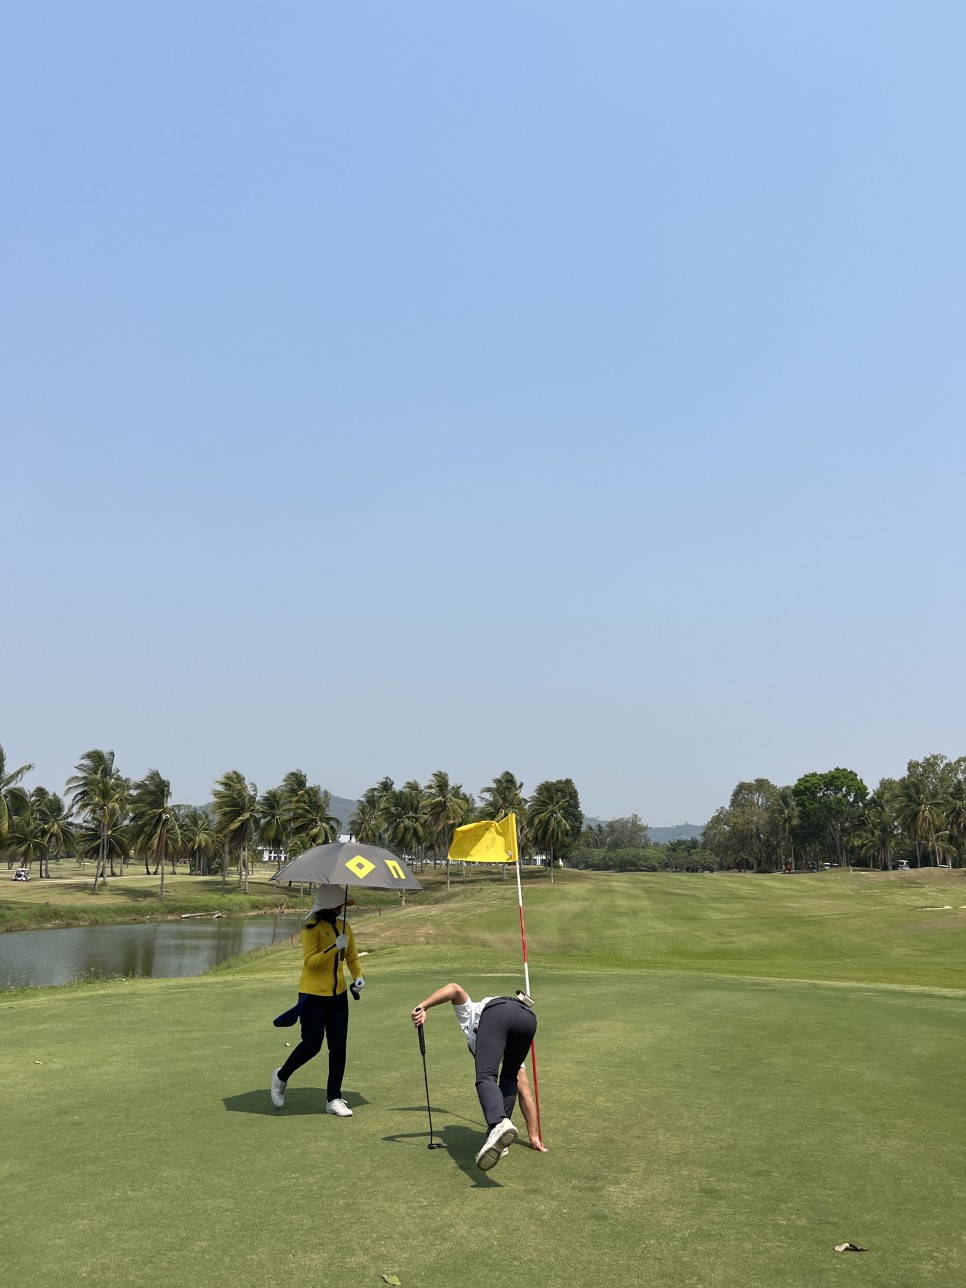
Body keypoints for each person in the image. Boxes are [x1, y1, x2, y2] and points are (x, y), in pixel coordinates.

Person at [411, 982, 541, 1171]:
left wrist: (423, 1006)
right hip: (528, 1019)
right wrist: (534, 1135)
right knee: (509, 1078)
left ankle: (498, 1125)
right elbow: (525, 1092)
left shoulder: (470, 1012)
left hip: (498, 1012)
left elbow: (454, 989)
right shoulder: (502, 1047)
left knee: (485, 1076)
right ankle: (497, 1136)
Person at [270, 885, 365, 1117]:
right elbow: (310, 963)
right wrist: (334, 947)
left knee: (338, 1047)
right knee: (312, 1044)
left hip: (338, 995)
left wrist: (359, 976)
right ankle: (281, 1076)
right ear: (327, 905)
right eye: (339, 904)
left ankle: (333, 1098)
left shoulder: (345, 927)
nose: (342, 907)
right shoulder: (311, 929)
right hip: (313, 995)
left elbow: (351, 957)